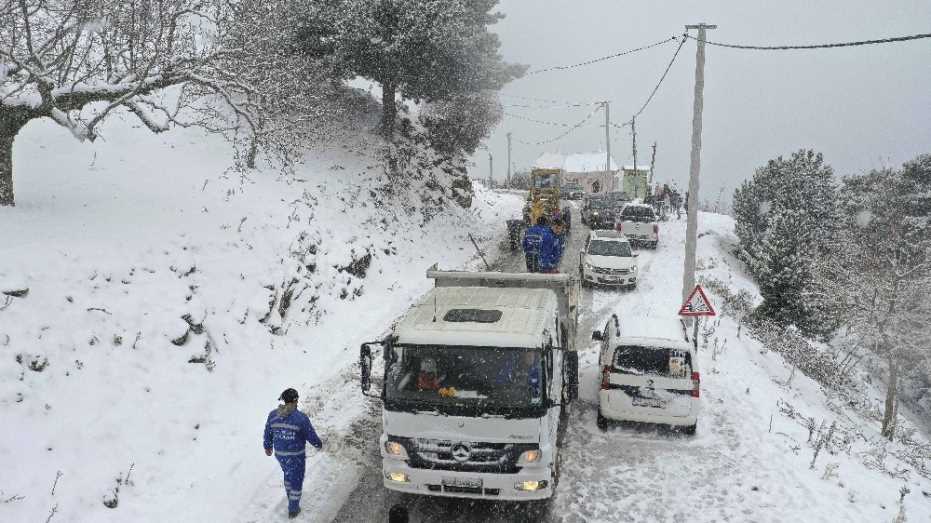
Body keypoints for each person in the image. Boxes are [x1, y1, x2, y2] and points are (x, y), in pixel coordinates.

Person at [263, 388, 323, 519]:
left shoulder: (273, 415)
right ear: (295, 400)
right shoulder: (300, 418)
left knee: (288, 474)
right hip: (295, 455)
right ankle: (293, 509)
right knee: (296, 480)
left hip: (280, 455)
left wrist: (267, 446)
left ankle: (290, 495)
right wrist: (318, 444)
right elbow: (310, 435)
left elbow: (268, 432)